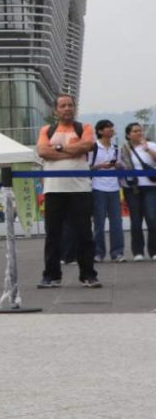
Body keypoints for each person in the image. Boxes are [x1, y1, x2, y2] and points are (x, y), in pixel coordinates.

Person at [35, 94, 101, 289]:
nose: (67, 109)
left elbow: (87, 145)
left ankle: (88, 274)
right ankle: (51, 275)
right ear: (56, 110)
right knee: (53, 234)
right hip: (53, 190)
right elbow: (43, 152)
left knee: (84, 233)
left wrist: (58, 148)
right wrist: (72, 149)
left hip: (80, 189)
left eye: (70, 105)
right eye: (63, 106)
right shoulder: (46, 130)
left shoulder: (84, 128)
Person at [120, 122, 156, 261]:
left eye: (140, 130)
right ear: (128, 135)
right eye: (135, 131)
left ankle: (153, 251)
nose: (139, 133)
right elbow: (118, 164)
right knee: (136, 220)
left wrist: (148, 149)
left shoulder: (151, 145)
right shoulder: (123, 149)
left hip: (150, 187)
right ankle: (137, 251)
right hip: (132, 188)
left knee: (152, 218)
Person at [89, 120, 123, 262]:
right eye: (108, 127)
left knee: (116, 222)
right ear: (100, 131)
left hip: (114, 188)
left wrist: (118, 166)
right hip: (98, 187)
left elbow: (119, 166)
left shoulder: (116, 148)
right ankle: (98, 252)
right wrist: (101, 166)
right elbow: (88, 167)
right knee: (99, 223)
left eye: (112, 127)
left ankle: (117, 253)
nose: (111, 129)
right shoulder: (94, 147)